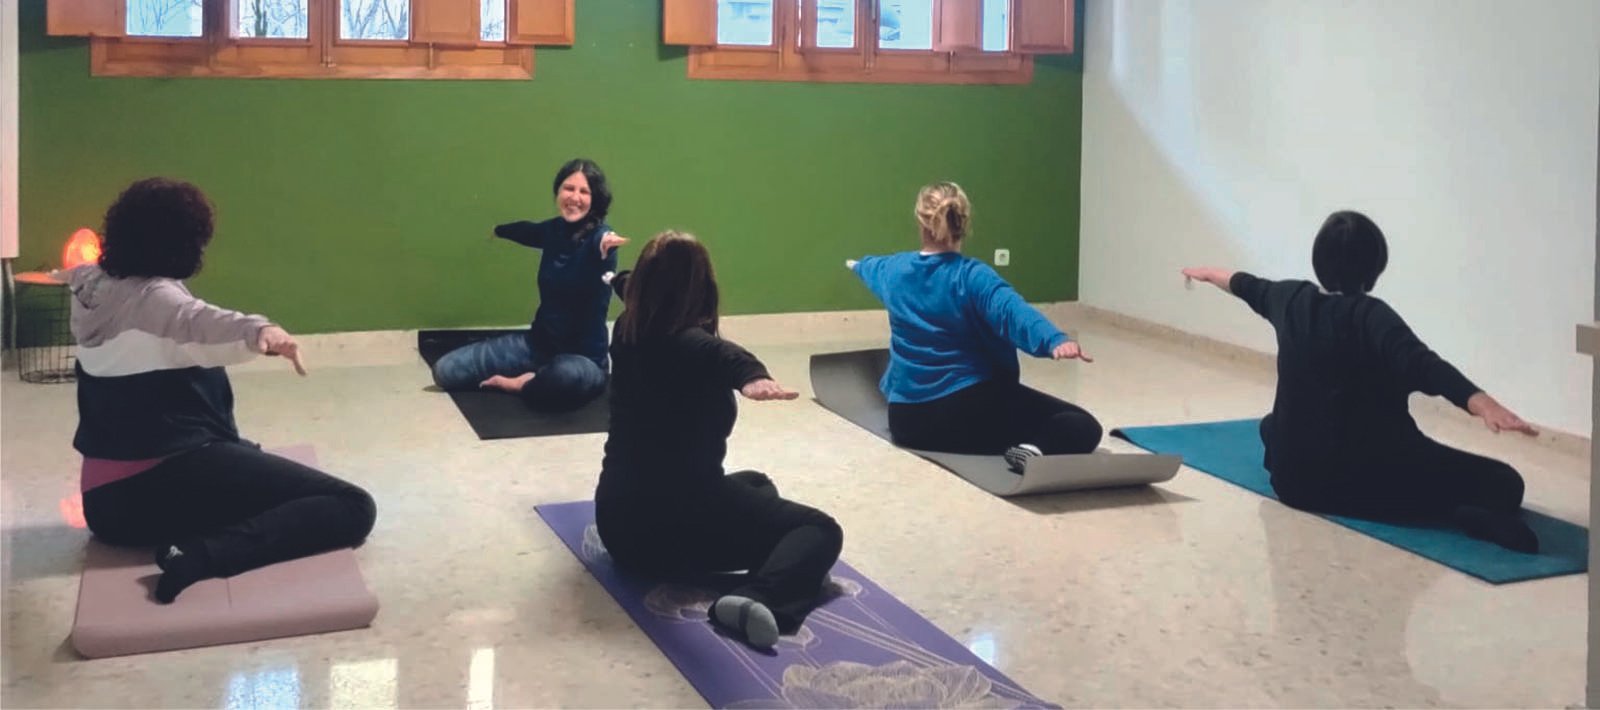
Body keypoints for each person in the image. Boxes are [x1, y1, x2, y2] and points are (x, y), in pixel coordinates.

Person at [68, 177, 377, 603]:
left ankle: (202, 524)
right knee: (352, 506)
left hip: (105, 501)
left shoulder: (92, 283)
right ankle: (195, 556)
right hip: (156, 485)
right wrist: (263, 331)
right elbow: (201, 320)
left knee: (254, 466)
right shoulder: (154, 299)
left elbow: (179, 325)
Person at [1182, 210, 1540, 552]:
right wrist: (1484, 404)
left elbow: (1242, 284)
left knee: (1271, 427)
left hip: (1292, 483)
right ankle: (1458, 512)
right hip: (1369, 479)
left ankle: (1430, 501)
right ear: (1374, 269)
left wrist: (1205, 273)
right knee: (1505, 483)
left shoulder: (1288, 297)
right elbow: (1425, 366)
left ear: (1317, 261)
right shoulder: (1372, 316)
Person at [595, 231, 844, 651]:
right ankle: (754, 599)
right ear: (702, 288)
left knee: (757, 483)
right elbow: (724, 356)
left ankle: (755, 564)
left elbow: (627, 282)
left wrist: (612, 277)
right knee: (818, 530)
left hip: (617, 522)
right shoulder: (688, 344)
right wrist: (754, 377)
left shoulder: (629, 326)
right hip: (668, 533)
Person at [848, 181, 1102, 473]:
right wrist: (1053, 340)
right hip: (966, 419)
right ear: (964, 223)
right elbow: (1013, 311)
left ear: (921, 222)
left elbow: (870, 268)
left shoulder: (894, 270)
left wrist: (855, 264)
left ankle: (1026, 446)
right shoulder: (971, 276)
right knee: (1081, 425)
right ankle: (1033, 451)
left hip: (907, 422)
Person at [432, 159, 628, 412]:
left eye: (584, 191)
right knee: (445, 371)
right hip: (537, 346)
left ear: (595, 199)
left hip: (583, 360)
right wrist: (498, 230)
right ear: (558, 192)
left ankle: (522, 384)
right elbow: (528, 231)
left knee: (563, 376)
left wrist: (606, 242)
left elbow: (603, 241)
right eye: (568, 188)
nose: (574, 197)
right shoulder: (553, 231)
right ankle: (540, 376)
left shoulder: (600, 238)